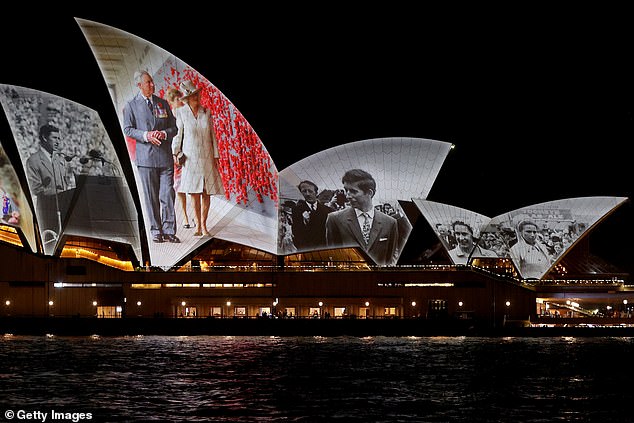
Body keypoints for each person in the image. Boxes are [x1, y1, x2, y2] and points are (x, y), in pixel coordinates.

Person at [123, 70, 179, 243]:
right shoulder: (131, 105)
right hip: (145, 159)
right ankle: (156, 230)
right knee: (151, 196)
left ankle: (169, 230)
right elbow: (128, 129)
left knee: (167, 194)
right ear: (139, 85)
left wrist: (163, 133)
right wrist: (146, 135)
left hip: (165, 158)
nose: (152, 85)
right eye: (148, 82)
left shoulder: (162, 103)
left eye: (152, 82)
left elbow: (174, 128)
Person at [171, 80, 224, 237]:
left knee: (207, 192)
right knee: (194, 193)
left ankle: (204, 225)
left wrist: (216, 156)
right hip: (191, 159)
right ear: (186, 98)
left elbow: (212, 136)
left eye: (197, 94)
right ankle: (197, 226)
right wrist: (175, 152)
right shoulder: (181, 113)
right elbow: (178, 135)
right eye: (192, 95)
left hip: (206, 157)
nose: (196, 97)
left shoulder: (206, 112)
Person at [325, 169, 399, 266]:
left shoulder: (390, 222)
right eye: (346, 190)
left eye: (353, 191)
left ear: (369, 193)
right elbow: (333, 257)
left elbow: (389, 259)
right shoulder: (335, 219)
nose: (348, 196)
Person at [25, 124, 76, 251]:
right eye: (55, 138)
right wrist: (58, 192)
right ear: (45, 138)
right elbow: (35, 188)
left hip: (63, 209)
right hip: (47, 210)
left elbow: (64, 184)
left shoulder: (61, 160)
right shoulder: (33, 161)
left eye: (59, 138)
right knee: (49, 247)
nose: (58, 142)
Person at [165, 86, 191, 230]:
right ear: (171, 102)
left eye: (180, 98)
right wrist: (174, 153)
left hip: (188, 152)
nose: (180, 101)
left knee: (193, 186)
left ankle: (194, 215)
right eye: (177, 99)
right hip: (176, 155)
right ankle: (185, 217)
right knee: (180, 187)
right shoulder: (170, 117)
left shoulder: (186, 113)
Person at [291, 180, 333, 250]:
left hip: (324, 249)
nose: (307, 194)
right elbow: (296, 232)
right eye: (304, 191)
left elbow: (331, 232)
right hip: (305, 249)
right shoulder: (296, 210)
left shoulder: (328, 210)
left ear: (316, 193)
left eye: (310, 191)